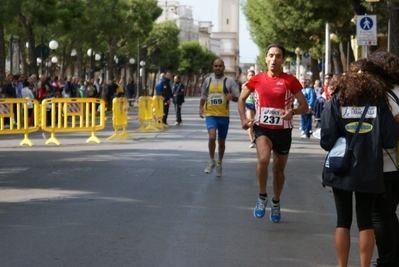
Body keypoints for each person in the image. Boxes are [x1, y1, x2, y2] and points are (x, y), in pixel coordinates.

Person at [320, 58, 399, 267]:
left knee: (342, 220)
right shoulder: (379, 102)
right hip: (370, 169)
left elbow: (327, 140)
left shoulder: (336, 99)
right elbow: (391, 139)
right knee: (366, 222)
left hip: (341, 168)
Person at [238, 43, 308, 222]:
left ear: (283, 59)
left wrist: (292, 112)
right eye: (271, 55)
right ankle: (262, 196)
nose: (274, 59)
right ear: (266, 58)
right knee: (263, 160)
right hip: (262, 128)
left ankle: (276, 201)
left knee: (278, 172)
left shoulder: (290, 80)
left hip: (283, 131)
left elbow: (304, 106)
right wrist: (244, 120)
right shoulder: (258, 79)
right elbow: (241, 98)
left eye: (278, 56)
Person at [368, 51, 399, 267]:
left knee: (380, 216)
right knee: (389, 213)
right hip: (397, 163)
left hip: (384, 163)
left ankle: (386, 261)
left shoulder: (381, 95)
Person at [199, 58, 240, 177]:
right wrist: (201, 108)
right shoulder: (208, 80)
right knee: (212, 137)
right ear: (213, 67)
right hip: (211, 114)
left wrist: (232, 98)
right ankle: (211, 161)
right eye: (216, 66)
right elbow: (203, 95)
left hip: (224, 116)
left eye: (220, 66)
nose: (218, 68)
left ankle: (220, 163)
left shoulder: (229, 81)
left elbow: (238, 97)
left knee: (221, 142)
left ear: (224, 67)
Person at [244, 70, 256, 148]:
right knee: (250, 122)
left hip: (257, 105)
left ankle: (256, 136)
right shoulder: (245, 85)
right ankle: (252, 140)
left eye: (252, 75)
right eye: (249, 75)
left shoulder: (258, 84)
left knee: (256, 123)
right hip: (249, 104)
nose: (251, 76)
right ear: (247, 77)